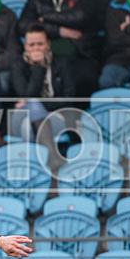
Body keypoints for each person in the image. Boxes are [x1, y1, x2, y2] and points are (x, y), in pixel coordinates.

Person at [19, 0, 101, 97]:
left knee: (84, 77)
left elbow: (80, 17)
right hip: (45, 52)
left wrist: (45, 17)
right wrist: (59, 30)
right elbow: (24, 25)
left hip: (81, 53)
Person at [10, 23, 75, 171]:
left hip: (56, 117)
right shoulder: (18, 65)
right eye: (31, 45)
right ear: (25, 46)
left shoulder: (62, 63)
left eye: (40, 44)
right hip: (21, 119)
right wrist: (39, 67)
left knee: (34, 105)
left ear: (48, 45)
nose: (36, 49)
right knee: (32, 105)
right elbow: (25, 96)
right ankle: (52, 157)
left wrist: (40, 105)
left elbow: (69, 99)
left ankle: (35, 168)